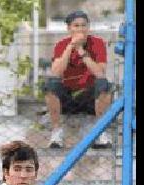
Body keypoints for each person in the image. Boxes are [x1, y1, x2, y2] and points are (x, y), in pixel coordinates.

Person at [43, 10, 112, 149]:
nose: (80, 29)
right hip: (68, 96)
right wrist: (70, 47)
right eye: (76, 26)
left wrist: (81, 51)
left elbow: (100, 73)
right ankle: (57, 132)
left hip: (89, 96)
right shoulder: (61, 45)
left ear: (88, 27)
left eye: (83, 25)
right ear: (69, 28)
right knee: (50, 85)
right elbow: (56, 72)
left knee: (104, 84)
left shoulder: (97, 43)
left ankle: (100, 132)